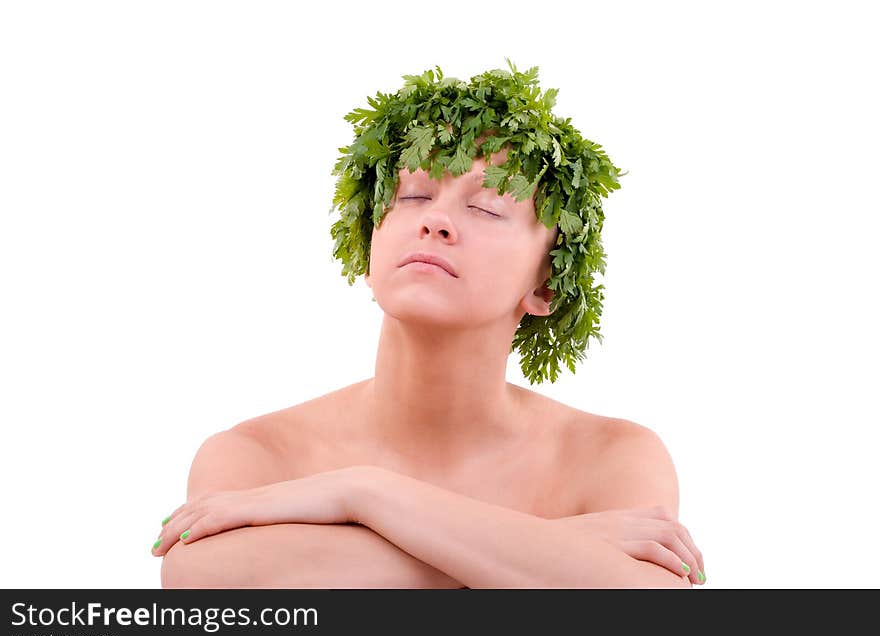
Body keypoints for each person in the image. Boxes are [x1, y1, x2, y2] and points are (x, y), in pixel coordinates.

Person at [151, 63, 706, 588]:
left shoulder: (609, 456)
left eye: (487, 207)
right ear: (369, 253)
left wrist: (363, 493)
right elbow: (199, 580)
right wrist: (553, 553)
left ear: (544, 289)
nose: (434, 220)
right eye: (413, 195)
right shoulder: (259, 453)